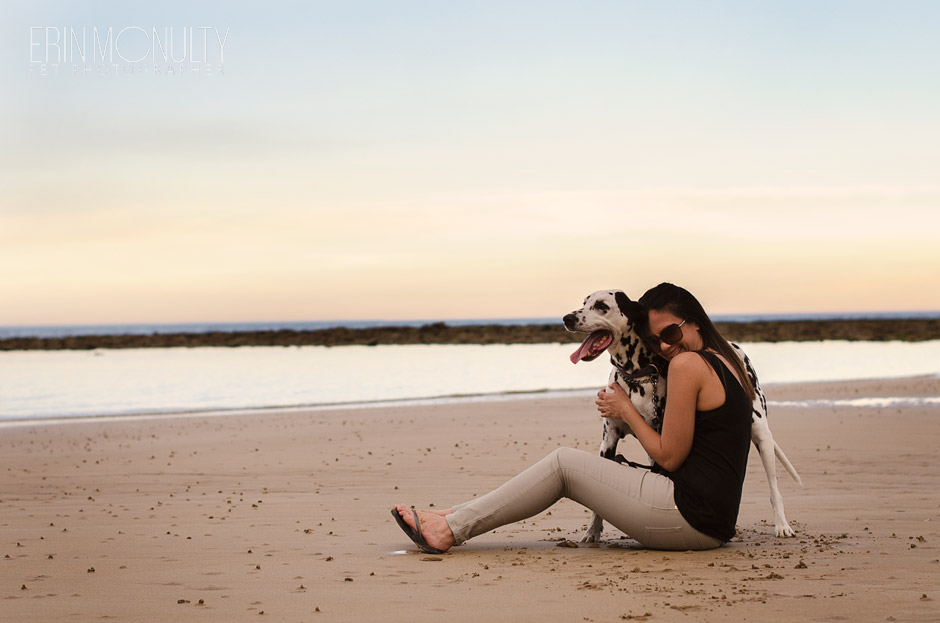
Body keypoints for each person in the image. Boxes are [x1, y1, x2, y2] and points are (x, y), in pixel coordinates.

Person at [392, 282, 755, 553]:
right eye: (655, 338)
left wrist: (625, 409)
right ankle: (451, 515)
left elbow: (670, 456)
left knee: (563, 465)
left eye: (672, 333)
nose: (664, 346)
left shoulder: (688, 365)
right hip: (709, 519)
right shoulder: (729, 361)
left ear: (695, 322)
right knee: (567, 463)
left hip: (686, 517)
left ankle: (449, 530)